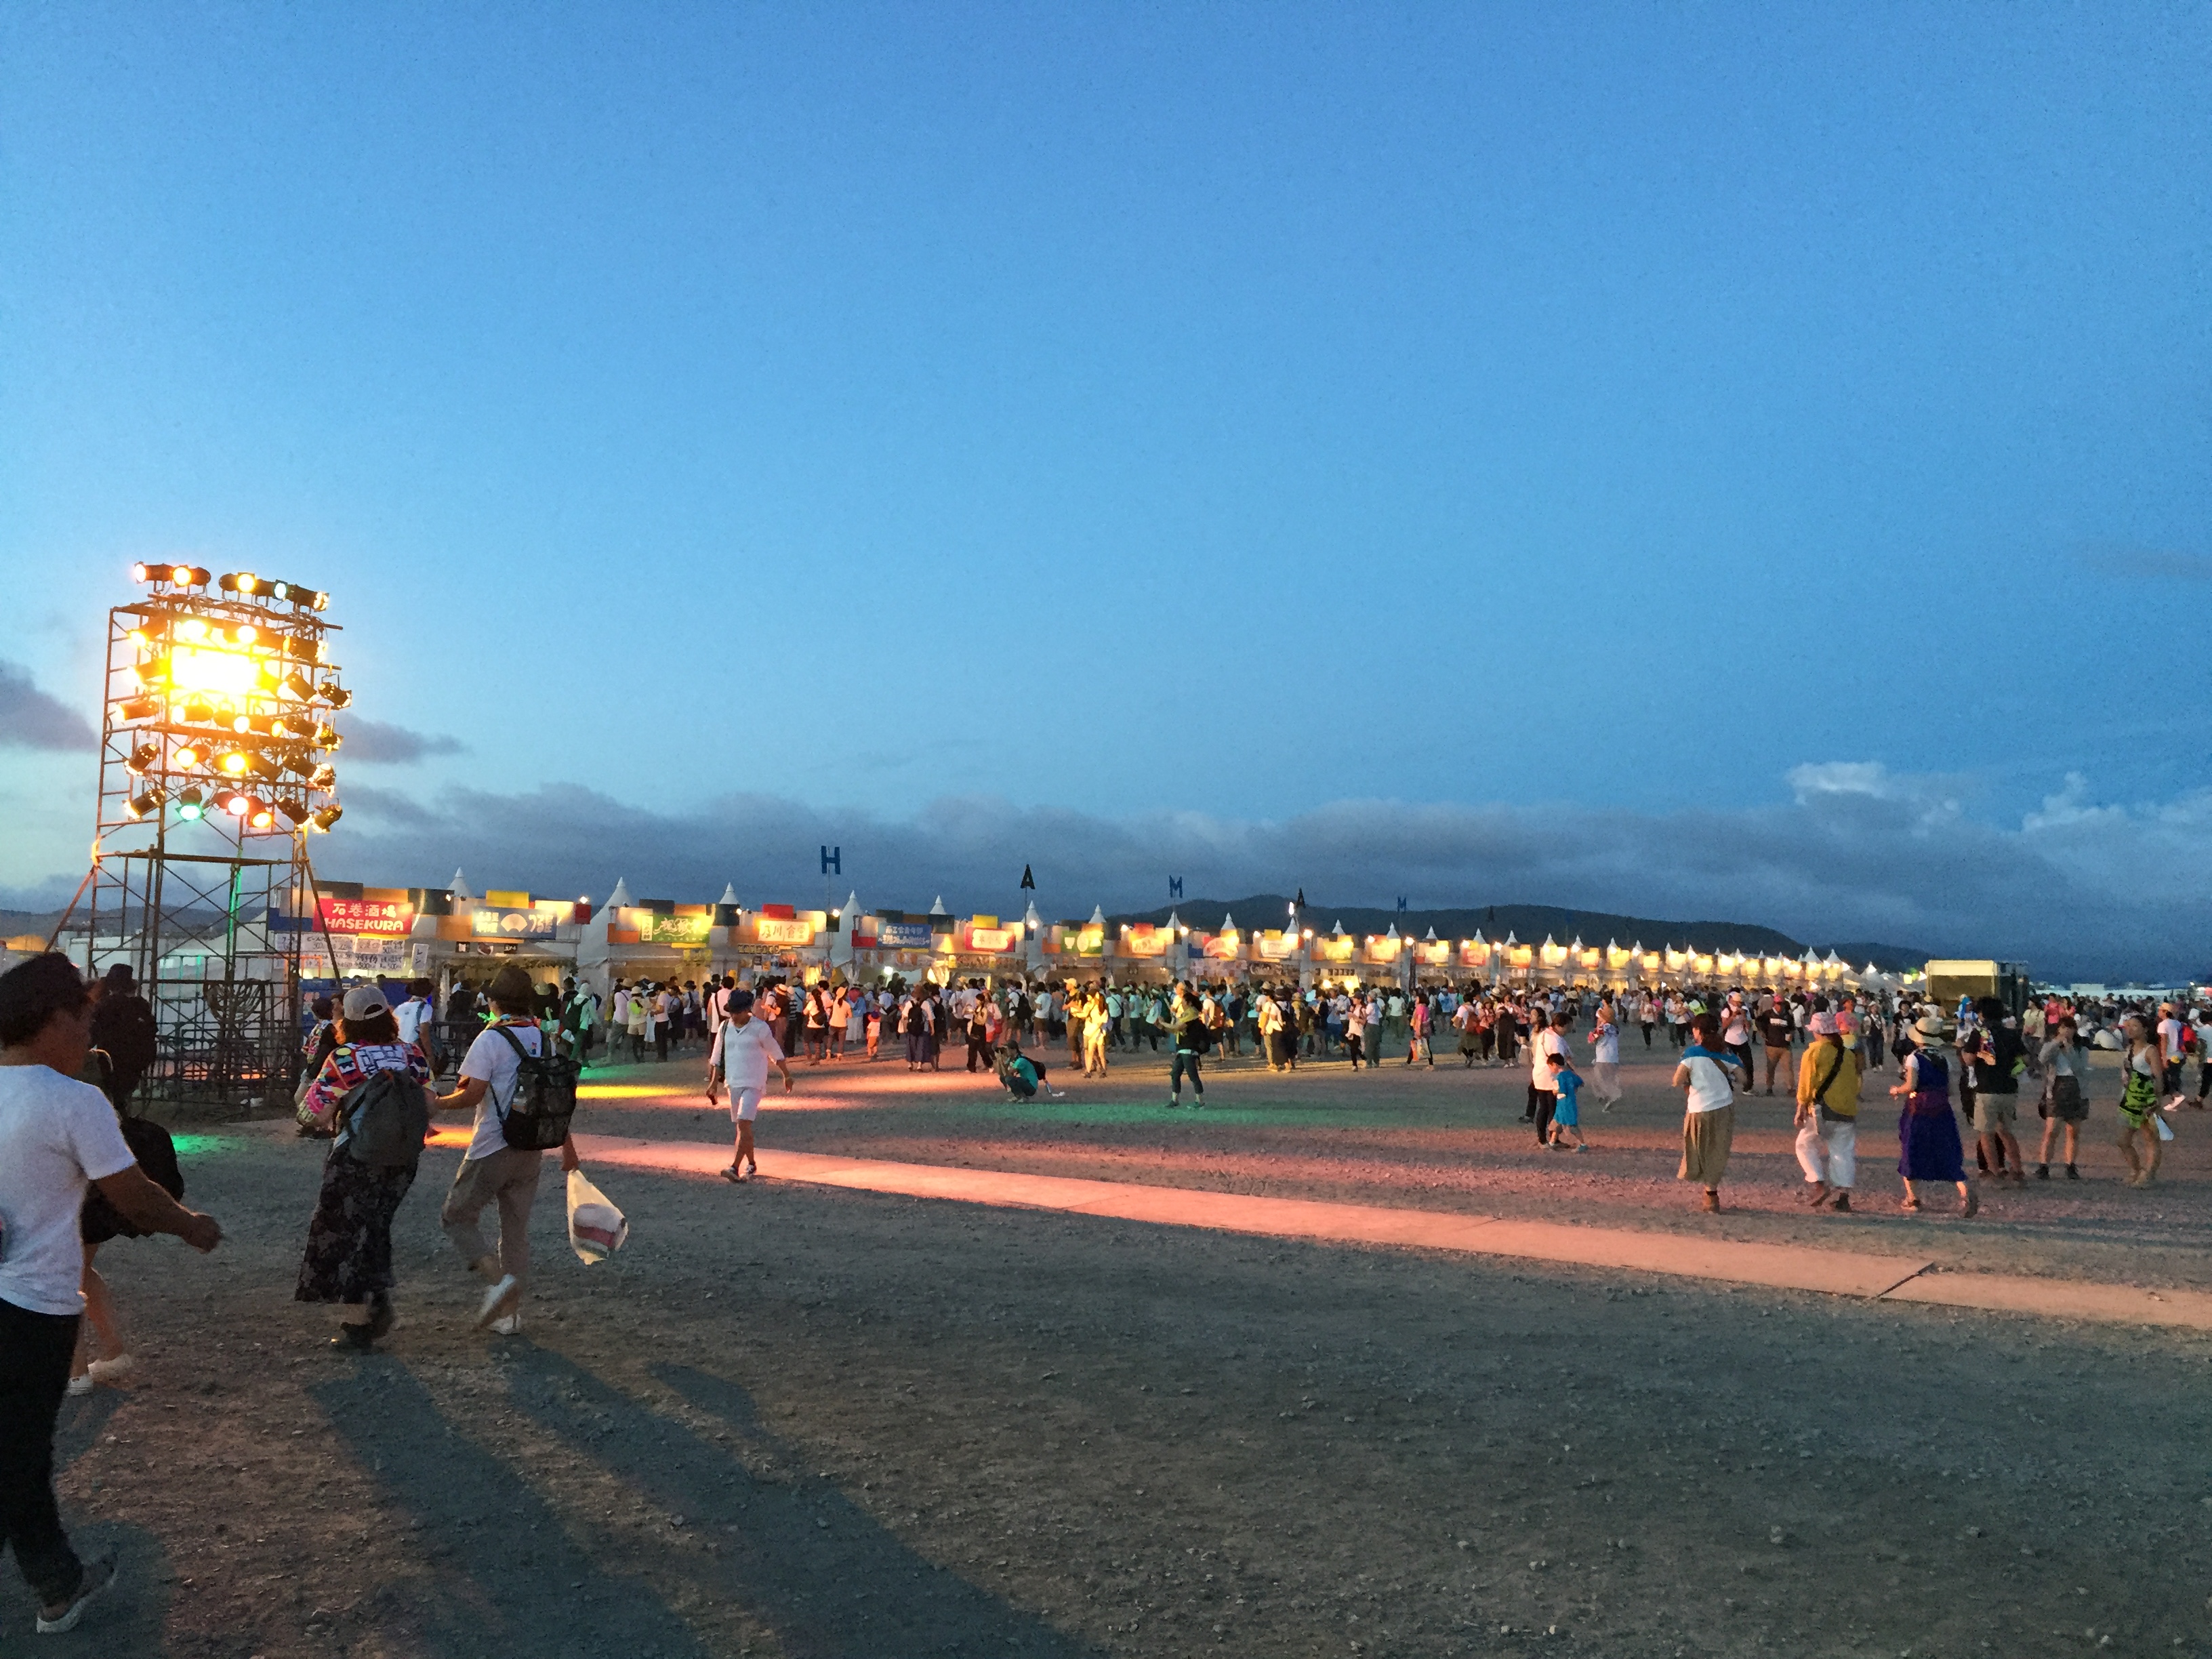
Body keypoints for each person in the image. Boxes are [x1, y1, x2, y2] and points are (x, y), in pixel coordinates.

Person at [1, 954, 223, 1633]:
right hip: (31, 1305)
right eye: (83, 1018)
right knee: (20, 1454)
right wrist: (192, 1227)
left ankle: (58, 1583)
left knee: (16, 1451)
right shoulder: (73, 1101)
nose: (89, 1033)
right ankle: (58, 1585)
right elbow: (132, 1195)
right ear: (53, 1019)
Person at [433, 965, 581, 1335]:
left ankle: (499, 1282)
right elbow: (552, 1098)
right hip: (533, 1146)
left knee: (457, 1215)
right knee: (515, 1231)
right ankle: (510, 1317)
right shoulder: (544, 1039)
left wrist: (436, 1104)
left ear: (493, 1001)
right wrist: (568, 1147)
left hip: (493, 1144)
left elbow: (472, 1095)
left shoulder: (491, 1039)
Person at [293, 984, 436, 1350]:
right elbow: (431, 1105)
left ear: (348, 1021)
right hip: (403, 1160)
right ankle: (376, 1297)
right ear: (388, 1015)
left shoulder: (345, 1057)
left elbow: (315, 1114)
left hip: (356, 1156)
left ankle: (359, 1318)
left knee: (344, 1232)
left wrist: (305, 1102)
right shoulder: (411, 1053)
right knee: (376, 1227)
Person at [1890, 1014, 1978, 1216]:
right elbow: (1950, 1090)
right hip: (1942, 1110)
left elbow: (1911, 1085)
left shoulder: (1914, 1058)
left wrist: (1896, 1090)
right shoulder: (1944, 1059)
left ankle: (1913, 1199)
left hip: (1919, 1109)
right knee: (1947, 1151)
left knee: (1911, 1150)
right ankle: (1964, 1191)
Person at [708, 989, 793, 1181]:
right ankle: (752, 1163)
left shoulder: (760, 1028)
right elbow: (717, 1058)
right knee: (742, 1128)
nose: (733, 1016)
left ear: (747, 1010)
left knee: (743, 1122)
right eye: (731, 1011)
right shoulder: (724, 1027)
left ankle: (734, 1167)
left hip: (754, 1082)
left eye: (737, 1012)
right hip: (733, 1082)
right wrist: (713, 1084)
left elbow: (775, 1053)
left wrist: (786, 1075)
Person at [1671, 1012, 1742, 1212]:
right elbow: (1743, 1078)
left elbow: (1677, 1080)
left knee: (1698, 1148)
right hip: (1724, 1107)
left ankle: (1702, 1182)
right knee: (1719, 1149)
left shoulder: (1691, 1054)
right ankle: (1711, 1193)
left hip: (1699, 1108)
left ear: (1697, 1031)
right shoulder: (1726, 1053)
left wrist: (1692, 1081)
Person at [1794, 1011, 1862, 1211]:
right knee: (1842, 1152)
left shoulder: (1814, 1052)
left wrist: (1801, 1107)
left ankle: (1818, 1183)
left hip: (1823, 1109)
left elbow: (1806, 1083)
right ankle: (1843, 1197)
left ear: (1818, 1031)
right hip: (1847, 1109)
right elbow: (1854, 1083)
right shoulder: (1847, 1054)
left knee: (1804, 1144)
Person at [85, 964, 158, 1111]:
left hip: (111, 1059)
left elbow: (92, 1033)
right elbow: (152, 1030)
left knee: (109, 1094)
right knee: (120, 1096)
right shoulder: (141, 1005)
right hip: (136, 1059)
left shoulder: (106, 1005)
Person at [2034, 1015, 2090, 1180]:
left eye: (2070, 1028)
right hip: (2056, 1088)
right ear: (2058, 1029)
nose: (2067, 1031)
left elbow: (2079, 1068)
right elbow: (2042, 1059)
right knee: (2051, 1130)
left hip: (2077, 1090)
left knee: (2073, 1131)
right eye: (2064, 1027)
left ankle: (2070, 1165)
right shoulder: (2052, 1046)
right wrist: (2056, 1044)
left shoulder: (2081, 1049)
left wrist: (2069, 1049)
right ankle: (2044, 1166)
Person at [2115, 1012, 2166, 1187]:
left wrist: (2157, 1101)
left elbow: (2158, 1077)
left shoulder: (2150, 1050)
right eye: (2128, 1026)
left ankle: (2149, 1174)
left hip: (2147, 1100)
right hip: (2129, 1099)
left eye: (2135, 1026)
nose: (2130, 1029)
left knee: (2150, 1138)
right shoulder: (2129, 1049)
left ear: (2145, 1030)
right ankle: (2136, 1170)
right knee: (2123, 1140)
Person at [1167, 983, 1207, 1109]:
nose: (1182, 1004)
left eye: (1184, 1002)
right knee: (1175, 1074)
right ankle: (1175, 1100)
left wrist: (1163, 1024)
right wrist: (1163, 1025)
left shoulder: (1191, 1015)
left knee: (1193, 1075)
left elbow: (1178, 1028)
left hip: (1189, 1048)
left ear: (1189, 1003)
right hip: (1183, 1048)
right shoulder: (1188, 1015)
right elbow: (1176, 1029)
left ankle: (1200, 1101)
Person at [1544, 1051, 1588, 1151]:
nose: (1551, 1070)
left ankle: (1582, 1144)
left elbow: (1562, 1091)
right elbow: (1580, 1083)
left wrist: (1555, 1091)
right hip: (1569, 1103)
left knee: (1571, 1125)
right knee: (1557, 1123)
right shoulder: (1570, 1074)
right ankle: (1552, 1142)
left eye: (1550, 1067)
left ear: (1555, 1065)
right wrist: (1574, 1088)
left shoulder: (1560, 1077)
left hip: (1564, 1105)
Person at [1586, 1000, 1622, 1110]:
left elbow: (1592, 1039)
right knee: (1610, 1078)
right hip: (1613, 1057)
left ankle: (1612, 1096)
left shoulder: (1603, 1027)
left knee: (1598, 1080)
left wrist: (1591, 1036)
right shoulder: (1615, 1028)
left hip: (1603, 1057)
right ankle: (1609, 1097)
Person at [1757, 998, 1795, 1096]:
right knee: (1771, 1068)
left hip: (1785, 1047)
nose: (1781, 1006)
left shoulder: (1787, 1016)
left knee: (1788, 1068)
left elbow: (1792, 1028)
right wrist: (1762, 1032)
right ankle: (1769, 1088)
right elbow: (1758, 1022)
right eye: (1779, 1004)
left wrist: (1791, 1035)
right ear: (1774, 1004)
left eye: (1782, 1004)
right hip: (1771, 1046)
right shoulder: (1767, 1014)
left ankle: (1790, 1088)